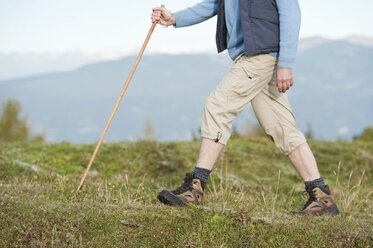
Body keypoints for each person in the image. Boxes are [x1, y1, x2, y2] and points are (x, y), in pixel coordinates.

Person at [151, 0, 339, 215]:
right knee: (281, 128)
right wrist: (174, 18)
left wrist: (286, 63)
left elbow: (290, 12)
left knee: (218, 106)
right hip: (256, 55)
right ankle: (322, 198)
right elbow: (213, 4)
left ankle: (195, 187)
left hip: (260, 56)